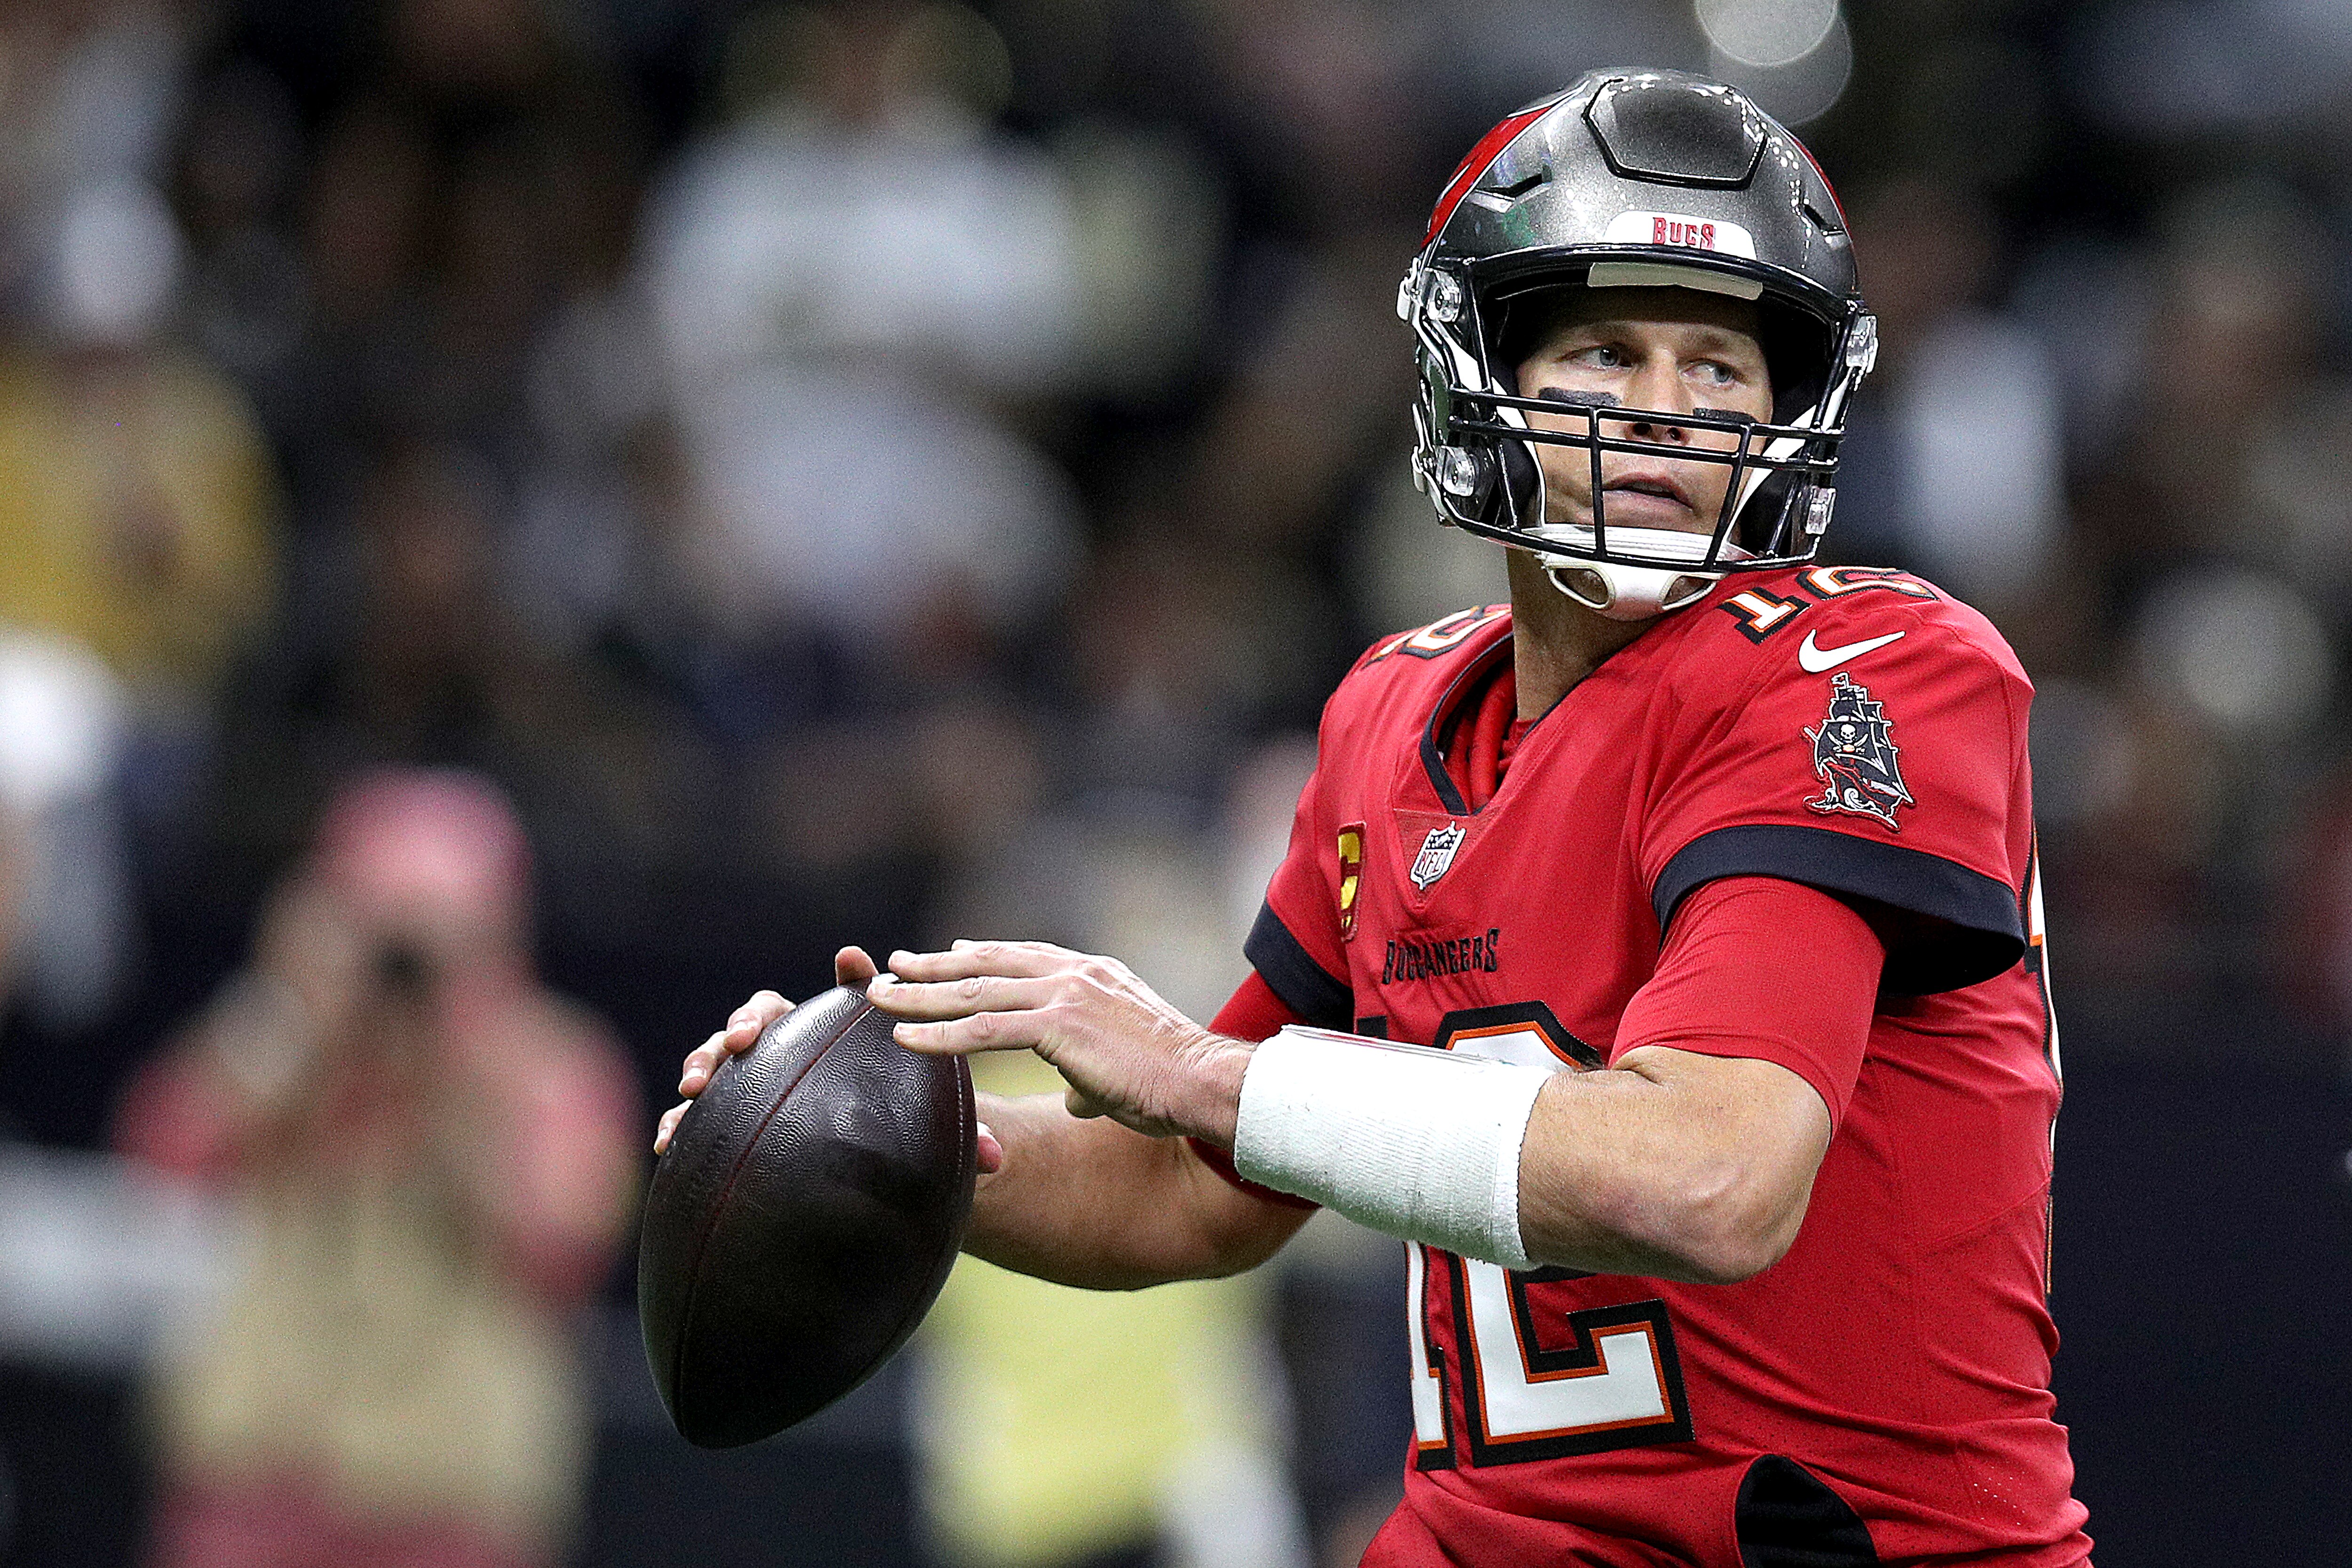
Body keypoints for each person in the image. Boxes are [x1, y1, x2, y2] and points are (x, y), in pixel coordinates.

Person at [660, 69, 2089, 1565]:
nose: (1672, 412)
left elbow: (1709, 1179)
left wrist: (1194, 1066)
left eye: (1722, 368)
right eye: (1609, 350)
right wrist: (870, 1135)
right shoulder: (1393, 714)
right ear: (1487, 375)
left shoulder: (1869, 670)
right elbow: (1197, 1190)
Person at [119, 770, 640, 1568]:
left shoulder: (556, 1066)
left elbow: (563, 1253)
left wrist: (460, 1080)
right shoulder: (284, 1036)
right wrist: (297, 1014)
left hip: (453, 1495)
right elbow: (165, 1157)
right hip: (258, 1476)